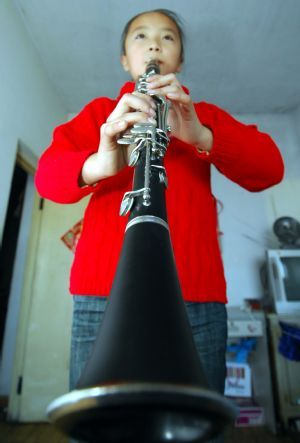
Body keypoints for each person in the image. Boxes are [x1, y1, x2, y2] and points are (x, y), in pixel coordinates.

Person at [35, 9, 284, 443]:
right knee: (99, 429)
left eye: (168, 38)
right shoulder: (100, 114)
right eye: (141, 37)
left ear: (180, 61)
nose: (154, 45)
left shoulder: (202, 116)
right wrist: (100, 162)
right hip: (101, 293)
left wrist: (202, 136)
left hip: (196, 296)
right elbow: (48, 178)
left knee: (194, 429)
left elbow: (269, 168)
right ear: (125, 61)